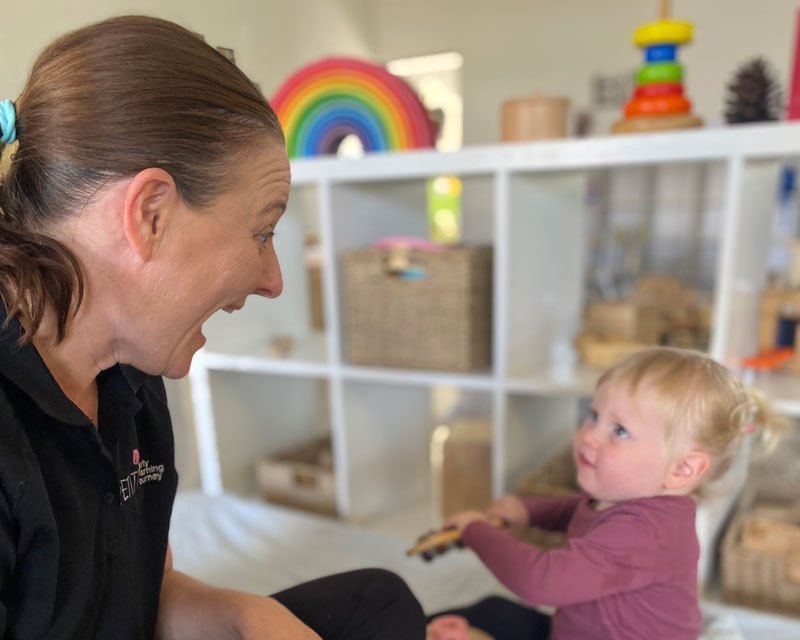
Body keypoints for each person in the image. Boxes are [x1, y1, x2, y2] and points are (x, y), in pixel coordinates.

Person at [0, 15, 426, 640]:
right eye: (261, 231)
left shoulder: (130, 380)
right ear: (151, 215)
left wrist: (247, 616)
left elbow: (141, 596)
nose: (272, 279)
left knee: (380, 601)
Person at [432, 347, 786, 640]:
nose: (589, 435)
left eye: (619, 430)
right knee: (493, 612)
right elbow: (581, 510)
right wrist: (528, 512)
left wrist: (476, 532)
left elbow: (539, 582)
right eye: (594, 415)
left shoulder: (644, 533)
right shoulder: (628, 501)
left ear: (682, 469)